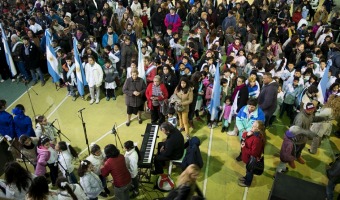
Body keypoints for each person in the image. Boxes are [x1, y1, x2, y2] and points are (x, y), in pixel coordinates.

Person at [238, 120, 265, 187]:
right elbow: (244, 135)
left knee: (250, 171)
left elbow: (254, 153)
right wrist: (247, 135)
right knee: (248, 170)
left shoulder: (257, 140)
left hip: (250, 159)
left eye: (254, 125)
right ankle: (246, 177)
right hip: (247, 157)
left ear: (258, 129)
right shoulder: (253, 133)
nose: (252, 126)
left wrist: (244, 147)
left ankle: (247, 182)